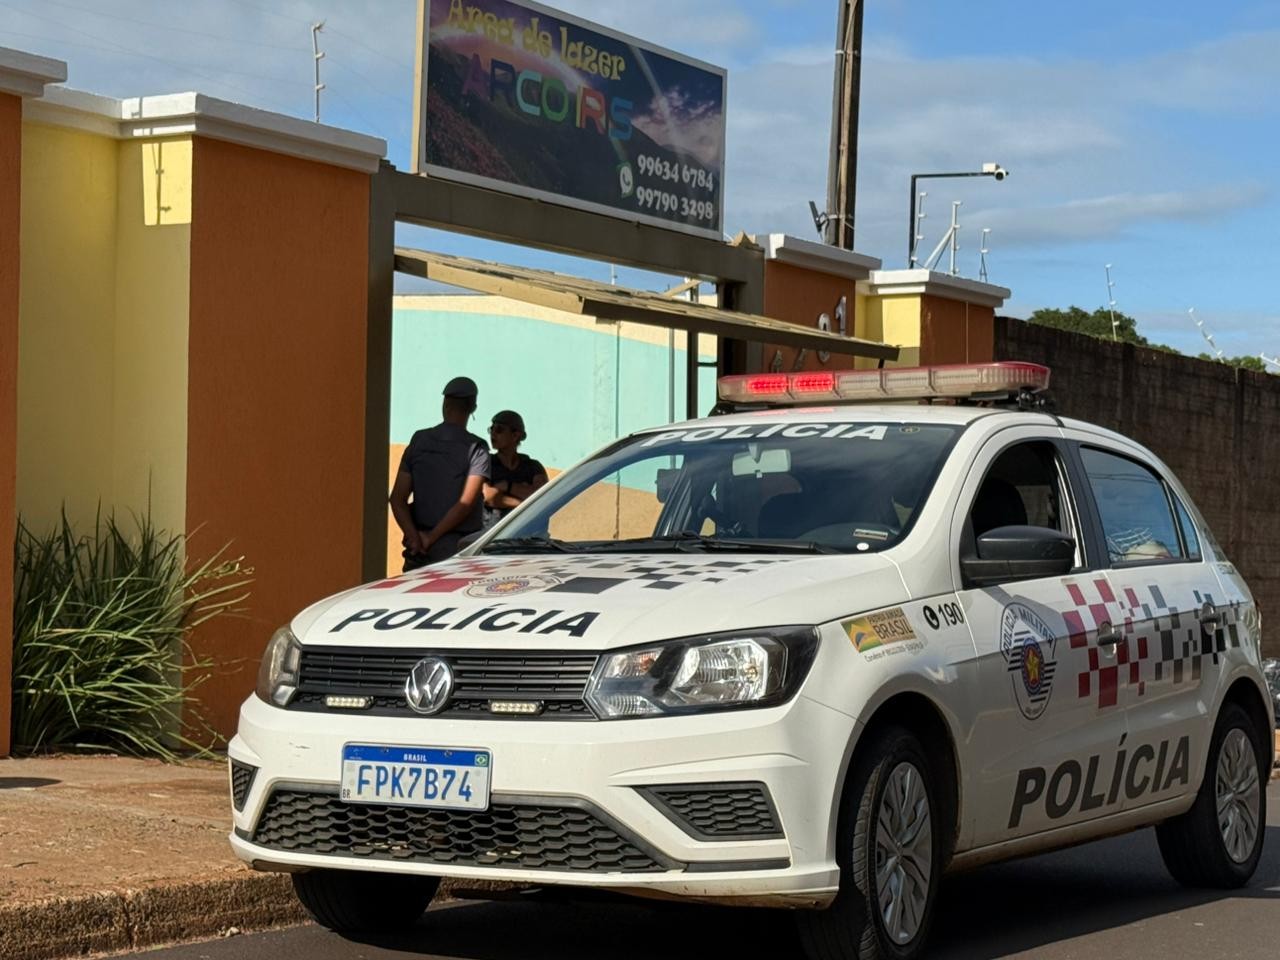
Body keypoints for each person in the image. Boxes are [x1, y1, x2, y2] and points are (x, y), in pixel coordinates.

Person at [389, 376, 490, 571]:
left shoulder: (419, 440)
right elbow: (465, 504)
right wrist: (431, 538)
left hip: (417, 552)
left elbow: (397, 499)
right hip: (458, 553)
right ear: (473, 408)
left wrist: (415, 539)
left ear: (444, 404)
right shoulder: (477, 448)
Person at [483, 409, 548, 524]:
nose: (493, 433)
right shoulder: (486, 463)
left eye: (499, 430)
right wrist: (522, 505)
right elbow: (489, 497)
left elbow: (541, 497)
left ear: (515, 435)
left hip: (528, 533)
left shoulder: (533, 466)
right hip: (493, 533)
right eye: (491, 429)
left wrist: (507, 487)